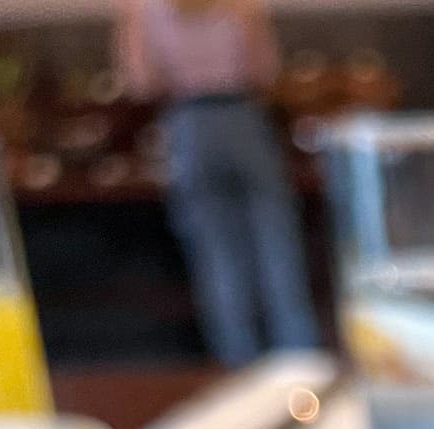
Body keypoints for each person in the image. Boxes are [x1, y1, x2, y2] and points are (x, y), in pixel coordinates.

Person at [117, 0, 319, 365]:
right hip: (243, 119)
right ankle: (301, 364)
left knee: (216, 256)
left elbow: (141, 82)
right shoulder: (241, 6)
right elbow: (266, 72)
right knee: (278, 247)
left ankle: (238, 367)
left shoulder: (146, 10)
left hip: (188, 127)